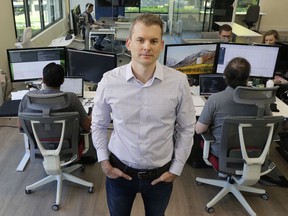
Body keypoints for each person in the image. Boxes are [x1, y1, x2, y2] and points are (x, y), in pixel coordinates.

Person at [91, 13, 196, 216]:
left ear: (161, 45)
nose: (147, 46)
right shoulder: (109, 81)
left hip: (160, 175)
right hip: (119, 171)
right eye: (140, 40)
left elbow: (186, 127)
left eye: (153, 41)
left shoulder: (179, 82)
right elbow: (98, 124)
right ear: (129, 43)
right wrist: (104, 162)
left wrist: (176, 168)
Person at [17, 63, 96, 162]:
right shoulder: (71, 98)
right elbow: (87, 127)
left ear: (43, 80)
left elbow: (20, 125)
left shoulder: (28, 97)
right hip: (68, 147)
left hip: (39, 145)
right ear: (63, 81)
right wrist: (94, 111)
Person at [195, 57, 271, 157]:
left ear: (225, 76)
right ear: (247, 78)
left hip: (222, 154)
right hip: (254, 153)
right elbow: (269, 124)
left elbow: (199, 130)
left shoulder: (215, 99)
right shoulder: (262, 99)